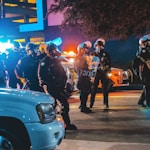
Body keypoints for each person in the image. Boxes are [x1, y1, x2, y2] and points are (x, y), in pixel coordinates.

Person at [38, 42, 77, 130]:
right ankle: (52, 126)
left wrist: (64, 83)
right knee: (52, 108)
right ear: (49, 51)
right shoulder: (44, 62)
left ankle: (67, 124)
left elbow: (63, 73)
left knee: (65, 105)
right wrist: (46, 86)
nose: (55, 52)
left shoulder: (56, 61)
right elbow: (41, 76)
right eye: (53, 50)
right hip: (51, 88)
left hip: (59, 87)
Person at [89, 38, 111, 109]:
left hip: (104, 73)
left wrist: (106, 67)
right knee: (93, 89)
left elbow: (109, 64)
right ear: (95, 45)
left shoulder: (106, 54)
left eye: (100, 45)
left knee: (105, 89)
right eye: (97, 45)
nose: (99, 47)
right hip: (95, 73)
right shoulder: (92, 54)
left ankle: (106, 104)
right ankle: (91, 103)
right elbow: (89, 63)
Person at [74, 41, 93, 113]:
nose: (85, 50)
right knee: (84, 93)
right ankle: (83, 107)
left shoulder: (84, 57)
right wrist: (87, 74)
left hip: (85, 77)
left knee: (85, 92)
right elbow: (78, 69)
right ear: (80, 49)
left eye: (86, 49)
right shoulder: (79, 57)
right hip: (82, 78)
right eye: (84, 49)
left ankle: (83, 105)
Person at [132, 34, 150, 108]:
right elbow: (136, 63)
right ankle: (149, 103)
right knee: (147, 86)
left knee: (147, 86)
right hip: (144, 71)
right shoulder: (141, 52)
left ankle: (141, 101)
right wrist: (137, 72)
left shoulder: (146, 50)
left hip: (147, 71)